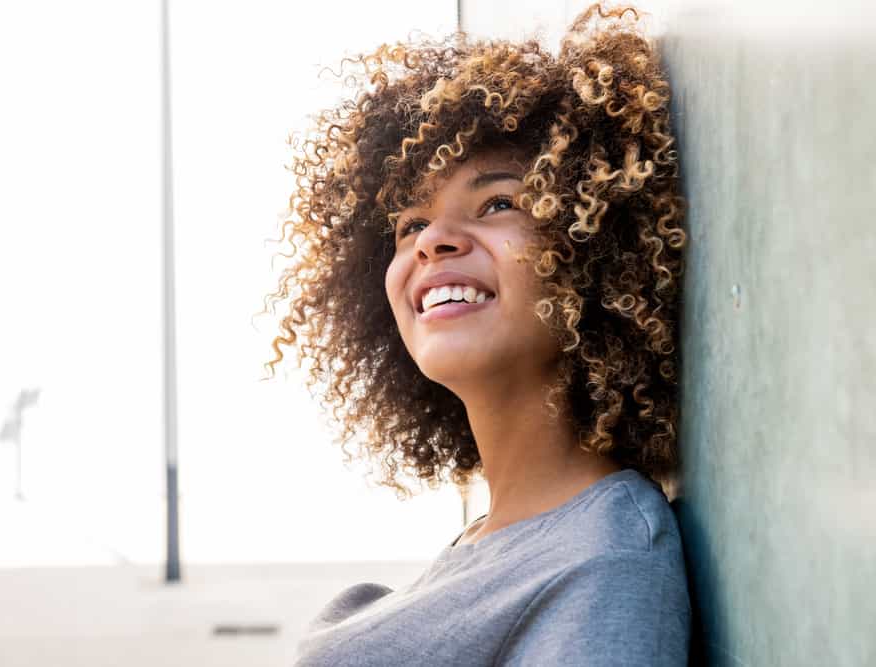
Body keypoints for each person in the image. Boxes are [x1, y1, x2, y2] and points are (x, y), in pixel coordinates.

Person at [266, 3, 691, 664]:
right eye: (410, 225)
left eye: (498, 203)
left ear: (593, 247)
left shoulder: (601, 561)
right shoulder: (494, 541)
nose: (432, 241)